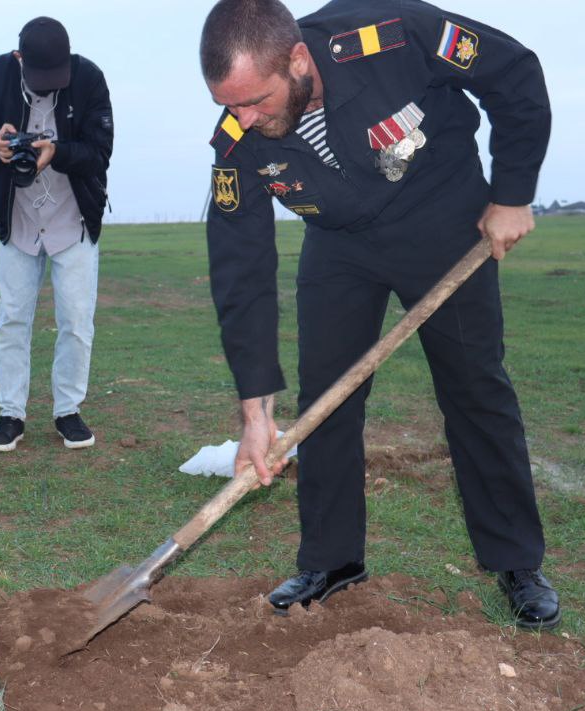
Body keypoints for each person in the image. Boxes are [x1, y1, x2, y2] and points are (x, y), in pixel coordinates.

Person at [199, 0, 560, 629]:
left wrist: (512, 193)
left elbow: (515, 75)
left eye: (255, 100)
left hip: (443, 219)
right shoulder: (237, 145)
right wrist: (255, 413)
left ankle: (516, 561)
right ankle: (332, 560)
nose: (245, 119)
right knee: (325, 402)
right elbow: (241, 274)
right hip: (339, 243)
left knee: (475, 387)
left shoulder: (391, 36)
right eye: (229, 106)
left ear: (299, 59)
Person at [0, 17, 114, 452]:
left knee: (77, 321)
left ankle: (68, 411)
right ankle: (11, 413)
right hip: (19, 221)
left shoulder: (89, 78)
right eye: (38, 76)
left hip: (75, 220)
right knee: (11, 320)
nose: (48, 85)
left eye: (56, 76)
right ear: (18, 59)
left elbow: (101, 151)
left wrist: (58, 151)